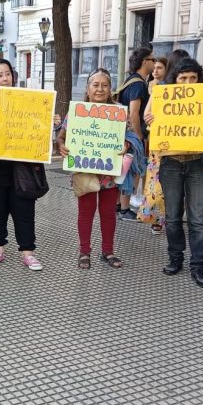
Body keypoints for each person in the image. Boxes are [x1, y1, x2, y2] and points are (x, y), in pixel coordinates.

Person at [144, 58, 203, 288]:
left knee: (197, 219)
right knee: (172, 217)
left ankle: (198, 266)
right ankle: (175, 258)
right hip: (171, 163)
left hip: (198, 163)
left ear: (199, 80)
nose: (188, 82)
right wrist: (151, 117)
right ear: (175, 79)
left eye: (193, 78)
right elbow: (147, 118)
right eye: (183, 78)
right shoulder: (164, 97)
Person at [0, 59, 49, 271]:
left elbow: (38, 131)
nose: (4, 78)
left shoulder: (26, 100)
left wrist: (48, 122)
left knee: (24, 211)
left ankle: (28, 252)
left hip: (21, 169)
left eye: (7, 74)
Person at [58, 68, 124, 270]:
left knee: (108, 213)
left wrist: (127, 146)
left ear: (110, 89)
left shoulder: (119, 112)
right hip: (85, 171)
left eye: (105, 85)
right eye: (95, 85)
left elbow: (129, 138)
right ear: (87, 88)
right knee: (85, 213)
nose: (100, 89)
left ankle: (108, 251)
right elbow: (62, 136)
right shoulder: (77, 112)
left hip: (109, 172)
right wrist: (61, 145)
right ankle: (84, 252)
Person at [116, 47, 152, 221]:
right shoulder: (138, 84)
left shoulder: (130, 81)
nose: (155, 63)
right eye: (152, 60)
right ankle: (124, 209)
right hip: (132, 135)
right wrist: (139, 137)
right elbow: (134, 113)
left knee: (124, 170)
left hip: (125, 133)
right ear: (145, 61)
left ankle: (118, 206)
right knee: (132, 171)